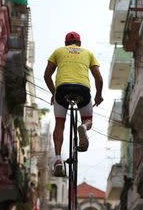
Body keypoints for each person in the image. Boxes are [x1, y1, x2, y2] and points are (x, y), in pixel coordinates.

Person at [44, 32, 103, 177]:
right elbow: (99, 79)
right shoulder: (88, 53)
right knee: (88, 119)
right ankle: (83, 127)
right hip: (82, 89)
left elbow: (47, 75)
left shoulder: (58, 51)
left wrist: (54, 93)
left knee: (59, 124)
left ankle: (58, 159)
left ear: (66, 44)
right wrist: (98, 95)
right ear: (80, 44)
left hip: (62, 89)